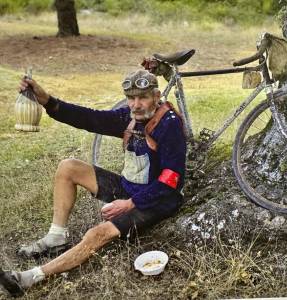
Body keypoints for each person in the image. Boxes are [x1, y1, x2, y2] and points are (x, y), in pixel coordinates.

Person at [0, 70, 186, 297]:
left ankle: (29, 278)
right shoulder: (129, 117)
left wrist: (129, 204)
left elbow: (171, 180)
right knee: (68, 167)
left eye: (143, 97)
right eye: (131, 98)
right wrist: (47, 101)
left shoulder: (169, 124)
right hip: (129, 187)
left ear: (157, 96)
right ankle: (56, 237)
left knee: (97, 233)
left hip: (157, 200)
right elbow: (90, 118)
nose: (136, 105)